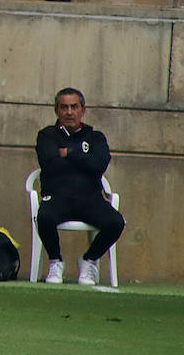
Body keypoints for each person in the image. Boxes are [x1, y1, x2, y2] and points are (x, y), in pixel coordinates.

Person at [35, 88, 125, 285]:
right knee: (44, 217)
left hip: (90, 199)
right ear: (56, 111)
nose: (69, 112)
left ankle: (89, 260)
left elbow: (99, 165)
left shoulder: (95, 138)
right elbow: (50, 164)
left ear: (82, 110)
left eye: (74, 107)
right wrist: (85, 160)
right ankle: (55, 261)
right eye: (64, 107)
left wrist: (69, 153)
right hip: (57, 197)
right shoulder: (47, 136)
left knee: (116, 222)